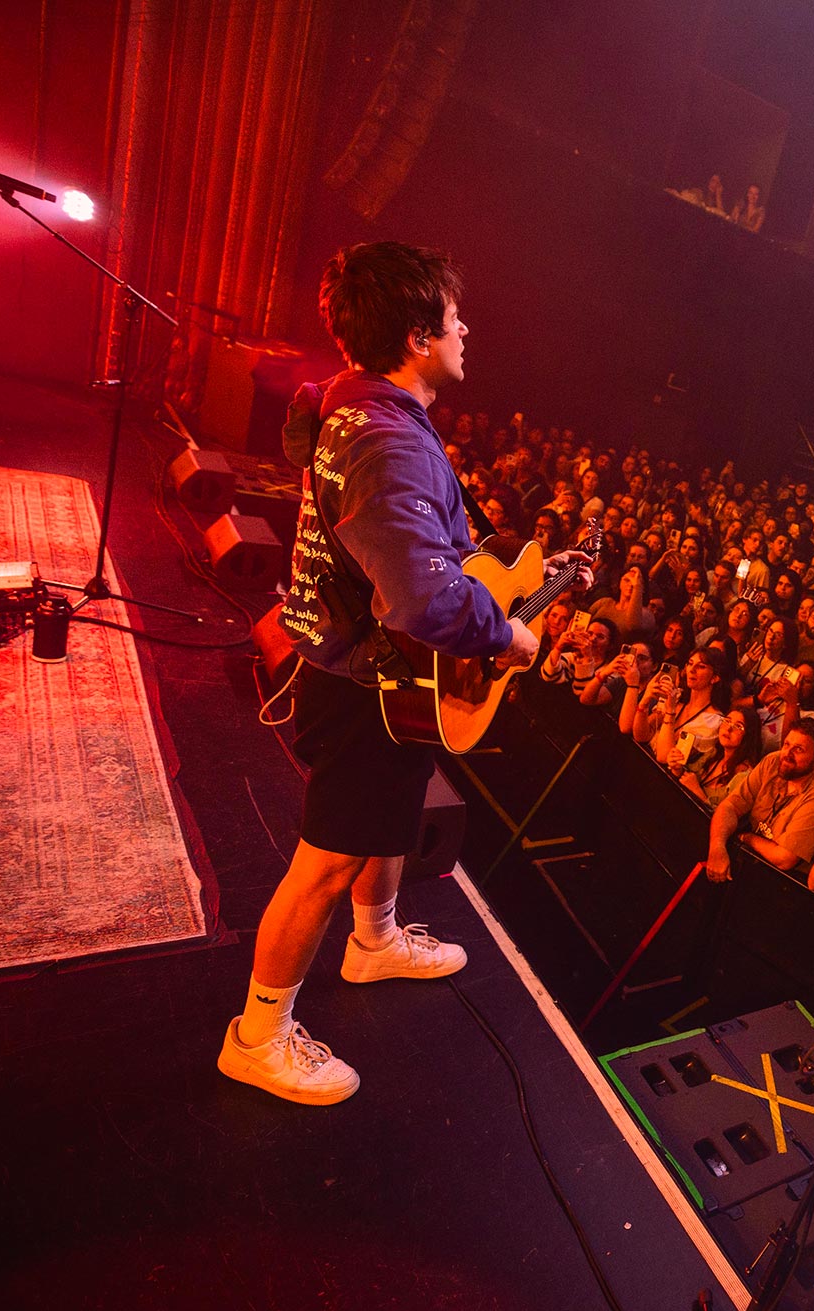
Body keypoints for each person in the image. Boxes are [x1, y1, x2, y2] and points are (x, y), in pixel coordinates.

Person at [223, 241, 583, 1106]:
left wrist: (504, 574)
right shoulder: (391, 444)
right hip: (360, 688)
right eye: (454, 317)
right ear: (420, 335)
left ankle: (375, 941)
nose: (468, 328)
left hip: (370, 678)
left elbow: (420, 551)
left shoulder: (355, 407)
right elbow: (423, 602)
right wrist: (507, 636)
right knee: (325, 861)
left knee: (393, 809)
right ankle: (259, 1035)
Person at [705, 718, 814, 880]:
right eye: (786, 744)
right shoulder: (773, 761)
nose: (787, 754)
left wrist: (745, 837)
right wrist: (717, 847)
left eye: (798, 749)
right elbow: (731, 806)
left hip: (786, 882)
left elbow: (784, 859)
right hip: (751, 859)